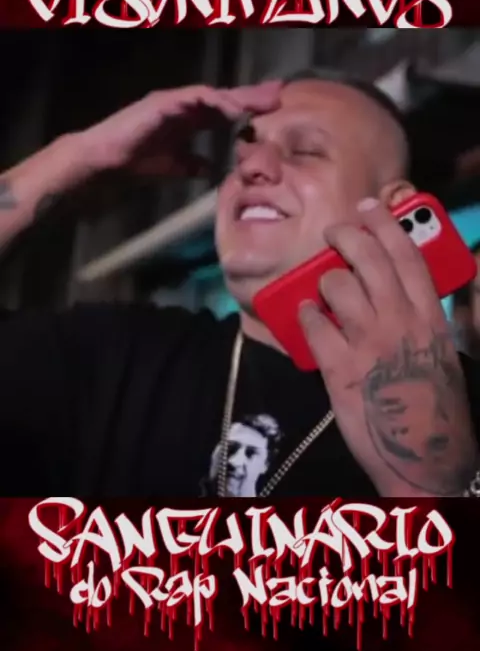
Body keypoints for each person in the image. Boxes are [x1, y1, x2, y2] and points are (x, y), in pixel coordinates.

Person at [0, 70, 479, 498]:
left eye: (306, 151)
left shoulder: (463, 407)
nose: (251, 167)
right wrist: (77, 155)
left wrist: (437, 484)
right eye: (243, 151)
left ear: (393, 208)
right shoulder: (118, 356)